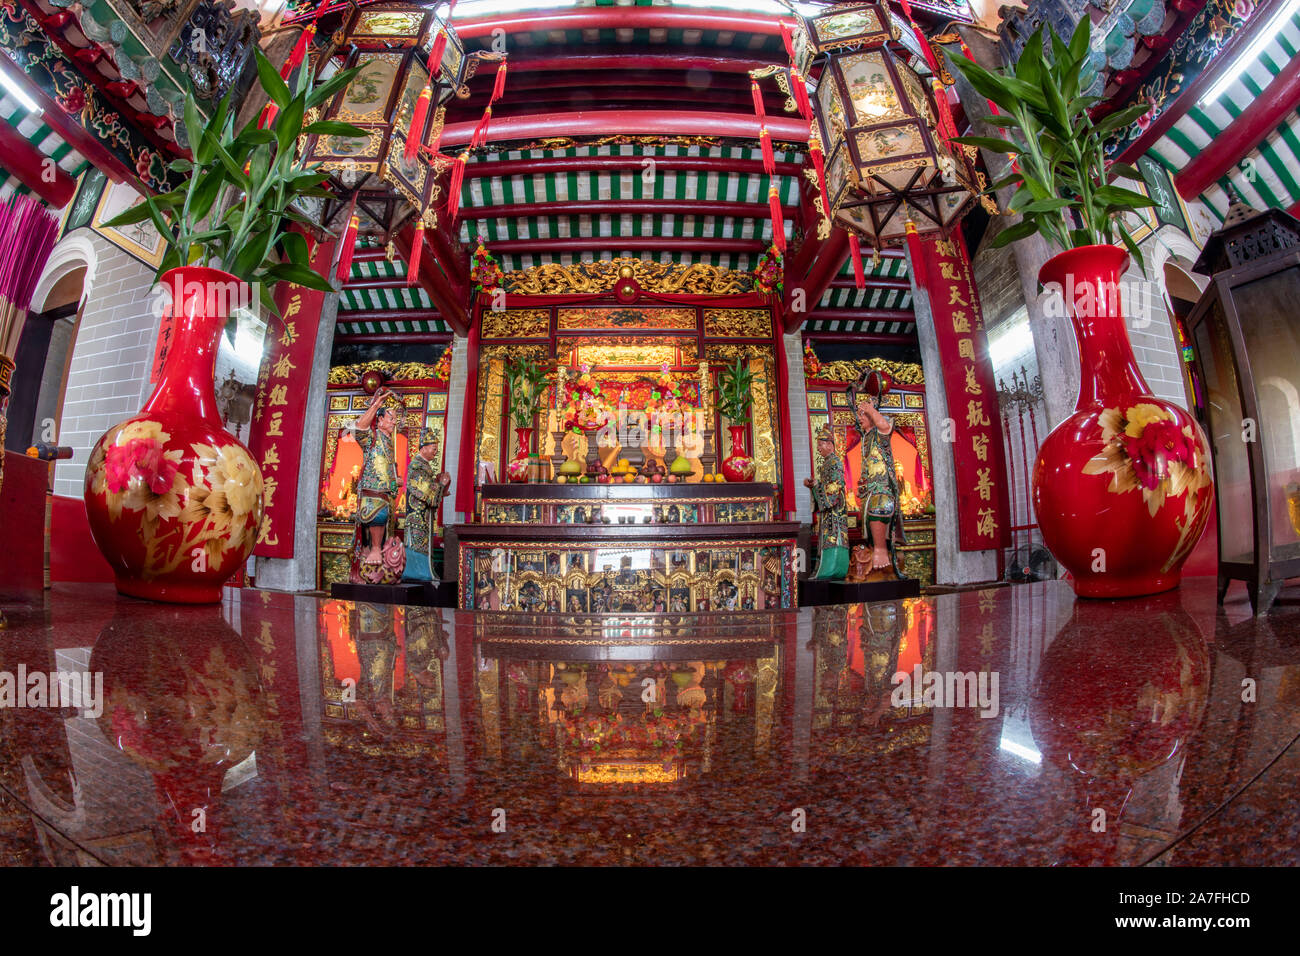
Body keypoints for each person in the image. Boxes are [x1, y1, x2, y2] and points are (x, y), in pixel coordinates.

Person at [850, 370, 905, 575]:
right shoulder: (866, 437)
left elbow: (885, 426)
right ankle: (874, 547)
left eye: (862, 416)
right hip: (869, 487)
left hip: (882, 486)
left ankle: (881, 549)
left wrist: (871, 410)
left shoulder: (879, 433)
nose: (859, 418)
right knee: (867, 516)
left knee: (879, 507)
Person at [351, 388, 403, 575]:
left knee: (386, 525)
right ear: (380, 420)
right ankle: (373, 549)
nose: (394, 421)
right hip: (373, 491)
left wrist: (395, 479)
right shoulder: (372, 437)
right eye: (390, 418)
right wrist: (376, 405)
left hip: (387, 493)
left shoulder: (390, 443)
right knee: (377, 516)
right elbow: (357, 430)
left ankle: (378, 551)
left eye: (395, 418)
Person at [403, 427, 450, 584]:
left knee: (423, 543)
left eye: (436, 449)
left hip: (423, 516)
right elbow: (426, 491)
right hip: (416, 517)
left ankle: (424, 572)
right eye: (433, 448)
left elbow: (430, 490)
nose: (435, 452)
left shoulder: (424, 466)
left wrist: (440, 487)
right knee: (417, 544)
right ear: (423, 448)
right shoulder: (416, 467)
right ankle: (418, 573)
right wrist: (440, 485)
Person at [804, 424, 849, 579]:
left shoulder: (835, 463)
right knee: (827, 536)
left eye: (821, 445)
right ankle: (824, 569)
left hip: (835, 509)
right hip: (829, 510)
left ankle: (833, 568)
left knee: (834, 536)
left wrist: (817, 486)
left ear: (830, 445)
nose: (819, 449)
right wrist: (814, 485)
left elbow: (834, 489)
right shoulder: (826, 464)